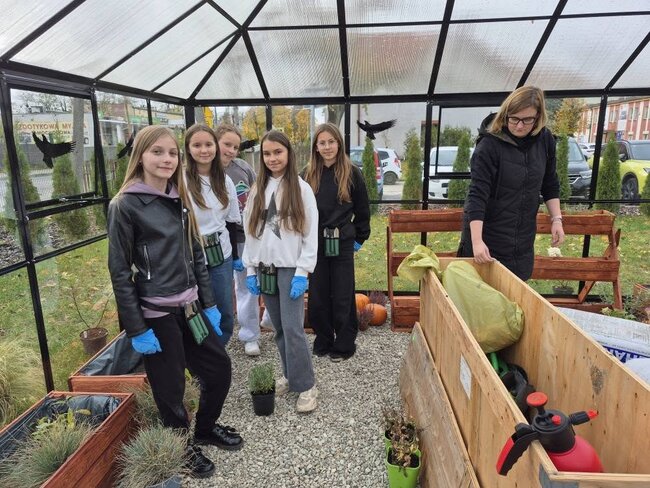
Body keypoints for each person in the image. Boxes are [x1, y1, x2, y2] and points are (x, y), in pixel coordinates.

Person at [107, 126, 243, 481]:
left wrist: (208, 303)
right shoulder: (125, 205)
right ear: (140, 156)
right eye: (157, 152)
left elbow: (195, 252)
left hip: (191, 308)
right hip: (157, 314)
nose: (167, 159)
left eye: (171, 153)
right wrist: (137, 328)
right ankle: (182, 448)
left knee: (219, 369)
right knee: (171, 391)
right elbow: (119, 271)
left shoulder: (177, 195)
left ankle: (205, 429)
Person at [242, 130, 319, 413]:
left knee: (293, 328)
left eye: (278, 152)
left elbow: (310, 234)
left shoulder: (301, 189)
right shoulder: (257, 190)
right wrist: (251, 269)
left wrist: (303, 271)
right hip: (266, 269)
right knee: (278, 328)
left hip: (290, 269)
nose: (272, 158)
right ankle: (290, 375)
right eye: (267, 153)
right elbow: (250, 232)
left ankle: (307, 385)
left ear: (288, 153)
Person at [458, 85, 565, 280]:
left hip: (522, 241)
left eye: (527, 120)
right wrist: (477, 242)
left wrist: (556, 219)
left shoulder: (545, 141)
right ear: (505, 114)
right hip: (488, 237)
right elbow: (477, 195)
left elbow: (550, 183)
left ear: (538, 117)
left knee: (515, 293)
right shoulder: (488, 145)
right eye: (514, 119)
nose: (520, 126)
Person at [303, 123, 370, 361]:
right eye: (322, 143)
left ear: (339, 144)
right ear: (316, 147)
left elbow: (363, 209)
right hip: (316, 244)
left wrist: (360, 236)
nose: (327, 147)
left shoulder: (352, 173)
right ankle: (323, 339)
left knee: (343, 294)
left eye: (331, 142)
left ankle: (344, 344)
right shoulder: (307, 175)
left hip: (342, 243)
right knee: (318, 294)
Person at [185, 123, 240, 346]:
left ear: (215, 147)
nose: (204, 150)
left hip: (220, 256)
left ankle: (220, 348)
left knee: (224, 307)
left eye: (208, 144)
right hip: (190, 255)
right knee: (196, 308)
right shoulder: (180, 181)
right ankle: (199, 352)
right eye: (197, 145)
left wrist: (235, 257)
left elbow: (231, 222)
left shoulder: (224, 181)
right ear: (188, 149)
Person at [216, 124, 268, 356]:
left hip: (247, 236)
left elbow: (259, 194)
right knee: (229, 288)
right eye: (226, 144)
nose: (231, 150)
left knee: (250, 284)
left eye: (235, 147)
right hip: (222, 241)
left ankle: (253, 332)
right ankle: (222, 335)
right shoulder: (205, 172)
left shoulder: (243, 168)